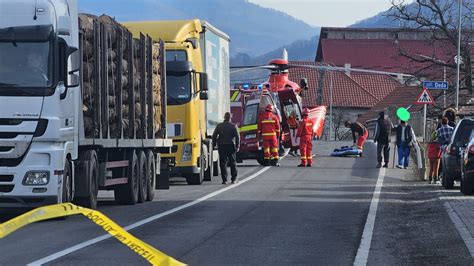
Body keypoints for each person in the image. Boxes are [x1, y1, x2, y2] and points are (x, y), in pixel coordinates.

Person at [212, 112, 240, 184]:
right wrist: (237, 146)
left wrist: (214, 144)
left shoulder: (219, 126)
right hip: (231, 146)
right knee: (232, 163)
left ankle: (224, 180)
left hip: (222, 146)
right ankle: (234, 179)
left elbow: (214, 136)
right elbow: (237, 137)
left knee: (223, 163)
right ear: (230, 117)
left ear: (224, 117)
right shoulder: (233, 126)